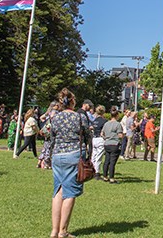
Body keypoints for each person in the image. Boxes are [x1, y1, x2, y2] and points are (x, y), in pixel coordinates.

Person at [46, 87, 91, 238]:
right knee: (70, 192)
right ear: (72, 101)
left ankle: (54, 230)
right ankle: (62, 231)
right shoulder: (80, 117)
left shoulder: (56, 117)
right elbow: (87, 136)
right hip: (74, 156)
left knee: (58, 191)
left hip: (57, 156)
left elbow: (51, 137)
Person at [101, 106, 123, 183]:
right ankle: (111, 178)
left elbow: (102, 133)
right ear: (117, 115)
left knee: (107, 160)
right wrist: (122, 136)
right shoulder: (118, 124)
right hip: (114, 144)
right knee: (112, 162)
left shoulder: (106, 124)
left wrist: (106, 137)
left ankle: (105, 176)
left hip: (107, 144)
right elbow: (120, 135)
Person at [90, 106, 107, 179]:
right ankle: (97, 172)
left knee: (94, 155)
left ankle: (92, 170)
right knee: (99, 156)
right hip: (100, 139)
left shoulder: (94, 120)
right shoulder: (104, 121)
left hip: (94, 138)